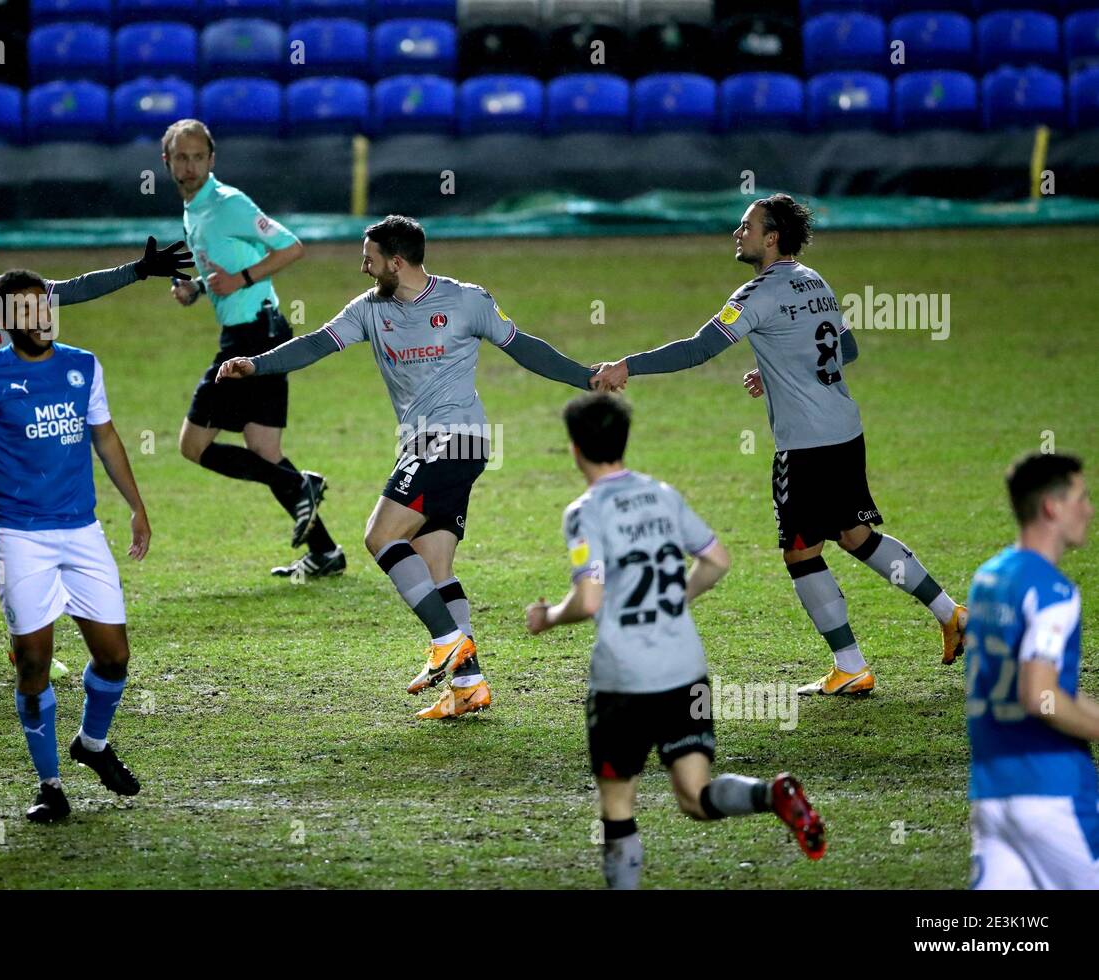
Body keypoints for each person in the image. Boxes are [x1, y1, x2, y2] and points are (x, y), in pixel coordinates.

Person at [217, 215, 596, 718]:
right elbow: (317, 344)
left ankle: (446, 639)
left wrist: (585, 377)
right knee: (434, 560)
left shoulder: (467, 301)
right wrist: (256, 364)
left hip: (453, 438)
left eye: (369, 258)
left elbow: (524, 347)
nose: (363, 266)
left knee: (380, 535)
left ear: (396, 262)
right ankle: (469, 684)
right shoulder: (370, 309)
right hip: (430, 444)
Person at [591, 193, 966, 696]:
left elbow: (700, 347)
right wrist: (779, 371)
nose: (737, 233)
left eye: (747, 226)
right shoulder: (816, 281)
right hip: (845, 430)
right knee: (856, 536)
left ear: (772, 238)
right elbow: (845, 348)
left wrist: (626, 365)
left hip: (806, 445)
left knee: (799, 552)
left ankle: (851, 665)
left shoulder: (756, 293)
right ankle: (951, 613)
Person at [0, 201, 189, 700]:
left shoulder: (4, 296)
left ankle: (24, 646)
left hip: (0, 441)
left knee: (15, 542)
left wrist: (137, 271)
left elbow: (72, 290)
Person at [525, 392, 825, 888]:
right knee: (694, 795)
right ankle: (771, 795)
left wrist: (548, 617)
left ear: (575, 449)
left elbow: (590, 600)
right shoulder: (663, 494)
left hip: (624, 680)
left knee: (618, 807)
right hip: (685, 668)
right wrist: (675, 601)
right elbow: (717, 560)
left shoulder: (584, 512)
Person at [0, 269, 151, 823]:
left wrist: (136, 505)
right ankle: (50, 784)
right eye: (25, 310)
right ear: (5, 320)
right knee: (34, 659)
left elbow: (104, 435)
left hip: (82, 531)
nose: (40, 318)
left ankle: (93, 745)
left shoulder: (83, 366)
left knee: (115, 655)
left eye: (44, 306)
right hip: (20, 538)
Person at [163, 118, 342, 579]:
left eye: (198, 156)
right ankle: (325, 553)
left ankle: (297, 484)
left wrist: (240, 280)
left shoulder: (227, 203)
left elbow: (291, 247)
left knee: (193, 444)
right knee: (263, 449)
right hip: (255, 331)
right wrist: (200, 289)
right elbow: (227, 266)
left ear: (212, 160)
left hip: (254, 338)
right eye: (181, 157)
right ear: (167, 162)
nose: (190, 165)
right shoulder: (195, 209)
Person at [966, 452, 1097, 888]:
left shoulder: (988, 578)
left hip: (993, 794)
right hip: (1052, 792)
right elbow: (1040, 695)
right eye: (1082, 497)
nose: (1089, 510)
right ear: (1051, 507)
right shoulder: (1053, 590)